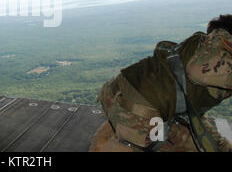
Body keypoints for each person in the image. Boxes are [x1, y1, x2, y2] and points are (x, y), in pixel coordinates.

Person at [90, 15, 232, 152]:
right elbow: (196, 73)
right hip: (137, 113)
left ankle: (115, 134)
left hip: (119, 91)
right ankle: (117, 139)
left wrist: (220, 146)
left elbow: (194, 113)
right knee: (145, 140)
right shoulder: (217, 55)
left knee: (194, 142)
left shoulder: (201, 46)